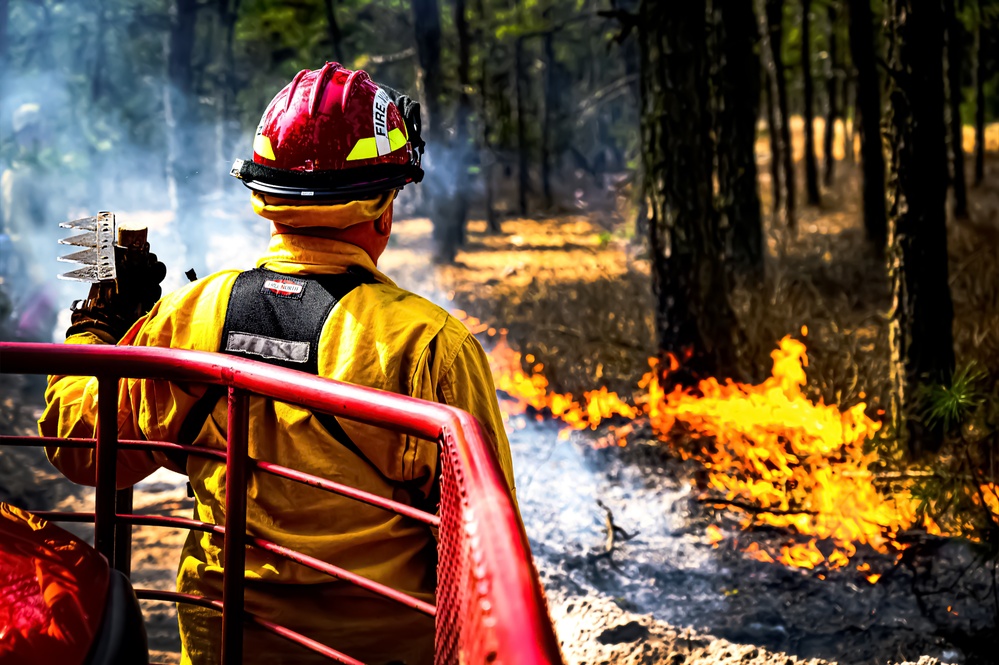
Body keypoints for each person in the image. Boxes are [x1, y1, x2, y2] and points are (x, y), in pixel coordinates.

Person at [38, 63, 517, 665]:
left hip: (225, 650)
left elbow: (82, 447)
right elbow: (482, 554)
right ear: (384, 207)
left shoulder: (192, 314)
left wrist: (94, 328)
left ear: (264, 199)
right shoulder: (429, 345)